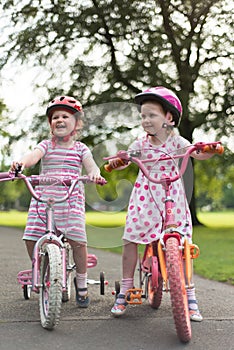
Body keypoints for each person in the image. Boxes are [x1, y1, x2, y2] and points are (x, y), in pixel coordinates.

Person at [107, 86, 218, 321]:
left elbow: (195, 152)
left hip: (172, 195)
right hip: (146, 195)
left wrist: (208, 149)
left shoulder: (178, 141)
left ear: (169, 117)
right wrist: (120, 160)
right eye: (143, 116)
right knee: (131, 238)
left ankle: (189, 294)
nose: (145, 120)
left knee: (182, 245)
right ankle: (125, 289)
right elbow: (126, 159)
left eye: (151, 115)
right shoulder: (141, 143)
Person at [11, 95, 105, 308]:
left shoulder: (80, 149)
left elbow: (91, 166)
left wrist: (94, 175)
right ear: (50, 124)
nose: (59, 120)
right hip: (43, 199)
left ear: (76, 124)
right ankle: (40, 268)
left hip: (70, 200)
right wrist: (21, 165)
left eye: (65, 116)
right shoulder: (46, 145)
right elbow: (33, 157)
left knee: (78, 242)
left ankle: (81, 283)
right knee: (30, 237)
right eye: (55, 117)